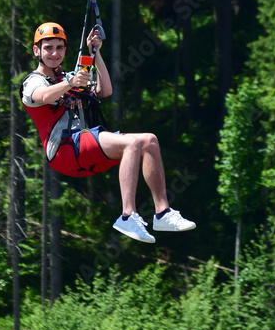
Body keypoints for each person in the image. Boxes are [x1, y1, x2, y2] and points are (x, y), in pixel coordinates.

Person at [21, 21, 196, 243]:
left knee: (149, 140)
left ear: (65, 50)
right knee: (131, 144)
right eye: (48, 48)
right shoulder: (32, 81)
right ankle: (127, 215)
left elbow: (105, 90)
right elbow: (44, 96)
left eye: (59, 47)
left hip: (81, 147)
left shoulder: (67, 77)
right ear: (37, 51)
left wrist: (96, 54)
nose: (54, 53)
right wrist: (70, 81)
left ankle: (162, 213)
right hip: (63, 150)